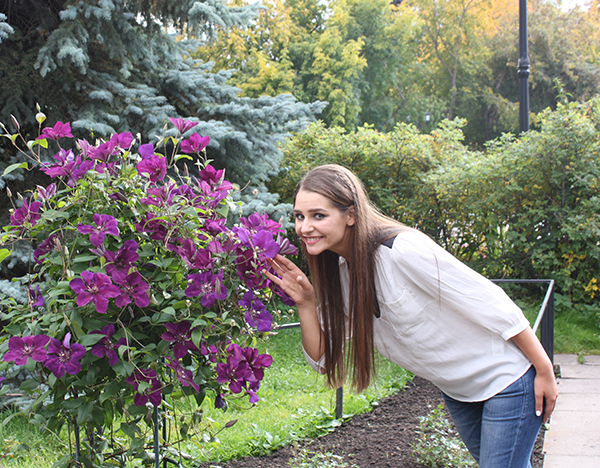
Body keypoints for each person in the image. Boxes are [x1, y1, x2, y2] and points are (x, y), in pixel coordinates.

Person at [265, 164, 558, 468]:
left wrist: (544, 368)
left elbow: (492, 303)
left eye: (318, 215)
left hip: (507, 380)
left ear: (350, 215)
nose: (304, 227)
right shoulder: (341, 276)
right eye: (300, 216)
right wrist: (306, 302)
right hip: (459, 392)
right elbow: (322, 358)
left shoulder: (402, 249)